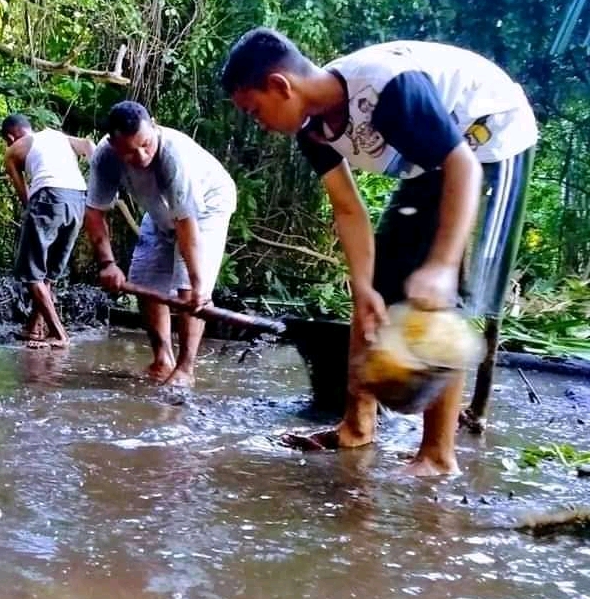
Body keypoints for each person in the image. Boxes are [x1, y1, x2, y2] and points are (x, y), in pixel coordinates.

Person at [221, 28, 538, 476]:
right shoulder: (313, 131)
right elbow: (348, 208)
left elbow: (462, 165)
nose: (259, 123)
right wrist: (363, 287)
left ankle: (437, 455)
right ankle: (357, 425)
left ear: (280, 85)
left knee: (440, 301)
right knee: (378, 297)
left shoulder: (390, 90)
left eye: (255, 111)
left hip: (489, 142)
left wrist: (443, 266)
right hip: (436, 158)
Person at [84, 101, 237, 387]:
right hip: (158, 213)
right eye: (129, 151)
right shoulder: (105, 158)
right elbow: (94, 212)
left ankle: (185, 369)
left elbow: (186, 223)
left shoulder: (172, 156)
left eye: (146, 144)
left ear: (153, 126)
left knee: (190, 290)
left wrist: (197, 284)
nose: (141, 156)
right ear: (114, 145)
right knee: (145, 283)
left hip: (205, 208)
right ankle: (162, 360)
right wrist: (107, 263)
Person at [2, 114, 92, 349]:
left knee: (32, 274)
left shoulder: (12, 151)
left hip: (49, 195)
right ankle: (34, 327)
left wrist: (32, 212)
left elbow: (25, 196)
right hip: (78, 199)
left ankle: (59, 334)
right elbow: (88, 146)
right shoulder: (56, 135)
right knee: (49, 274)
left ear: (11, 137)